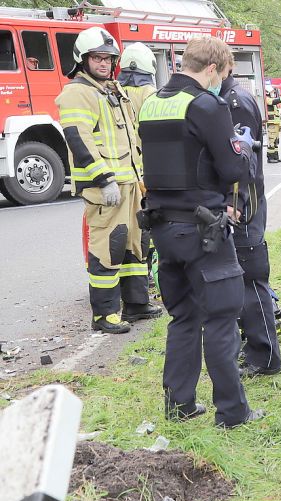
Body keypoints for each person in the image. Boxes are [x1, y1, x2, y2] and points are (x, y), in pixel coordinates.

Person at [138, 36, 262, 427]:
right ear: (212, 69)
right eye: (223, 74)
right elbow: (232, 170)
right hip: (203, 231)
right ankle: (233, 412)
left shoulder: (152, 103)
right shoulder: (207, 105)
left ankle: (180, 405)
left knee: (184, 318)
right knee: (222, 318)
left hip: (162, 228)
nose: (222, 81)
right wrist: (241, 149)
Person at [56, 27, 160, 334]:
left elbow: (131, 139)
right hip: (107, 188)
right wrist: (103, 179)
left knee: (134, 244)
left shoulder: (114, 90)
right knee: (108, 247)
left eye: (108, 58)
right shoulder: (78, 92)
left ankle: (136, 305)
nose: (104, 63)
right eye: (97, 58)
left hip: (131, 185)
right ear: (83, 60)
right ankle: (104, 314)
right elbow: (79, 138)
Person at [220, 66, 281, 378]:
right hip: (240, 201)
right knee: (242, 278)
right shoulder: (225, 97)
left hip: (244, 203)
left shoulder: (236, 103)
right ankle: (257, 349)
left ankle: (264, 357)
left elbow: (241, 162)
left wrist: (236, 204)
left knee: (251, 277)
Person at [118, 41, 159, 290]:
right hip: (148, 169)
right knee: (150, 222)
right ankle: (150, 271)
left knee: (128, 226)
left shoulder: (114, 92)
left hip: (124, 170)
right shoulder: (151, 95)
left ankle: (131, 277)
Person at [264, 84, 281, 164]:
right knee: (271, 140)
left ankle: (276, 157)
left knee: (276, 141)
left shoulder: (270, 98)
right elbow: (273, 102)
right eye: (272, 92)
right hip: (271, 123)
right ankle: (270, 157)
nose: (273, 93)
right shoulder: (267, 99)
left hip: (275, 122)